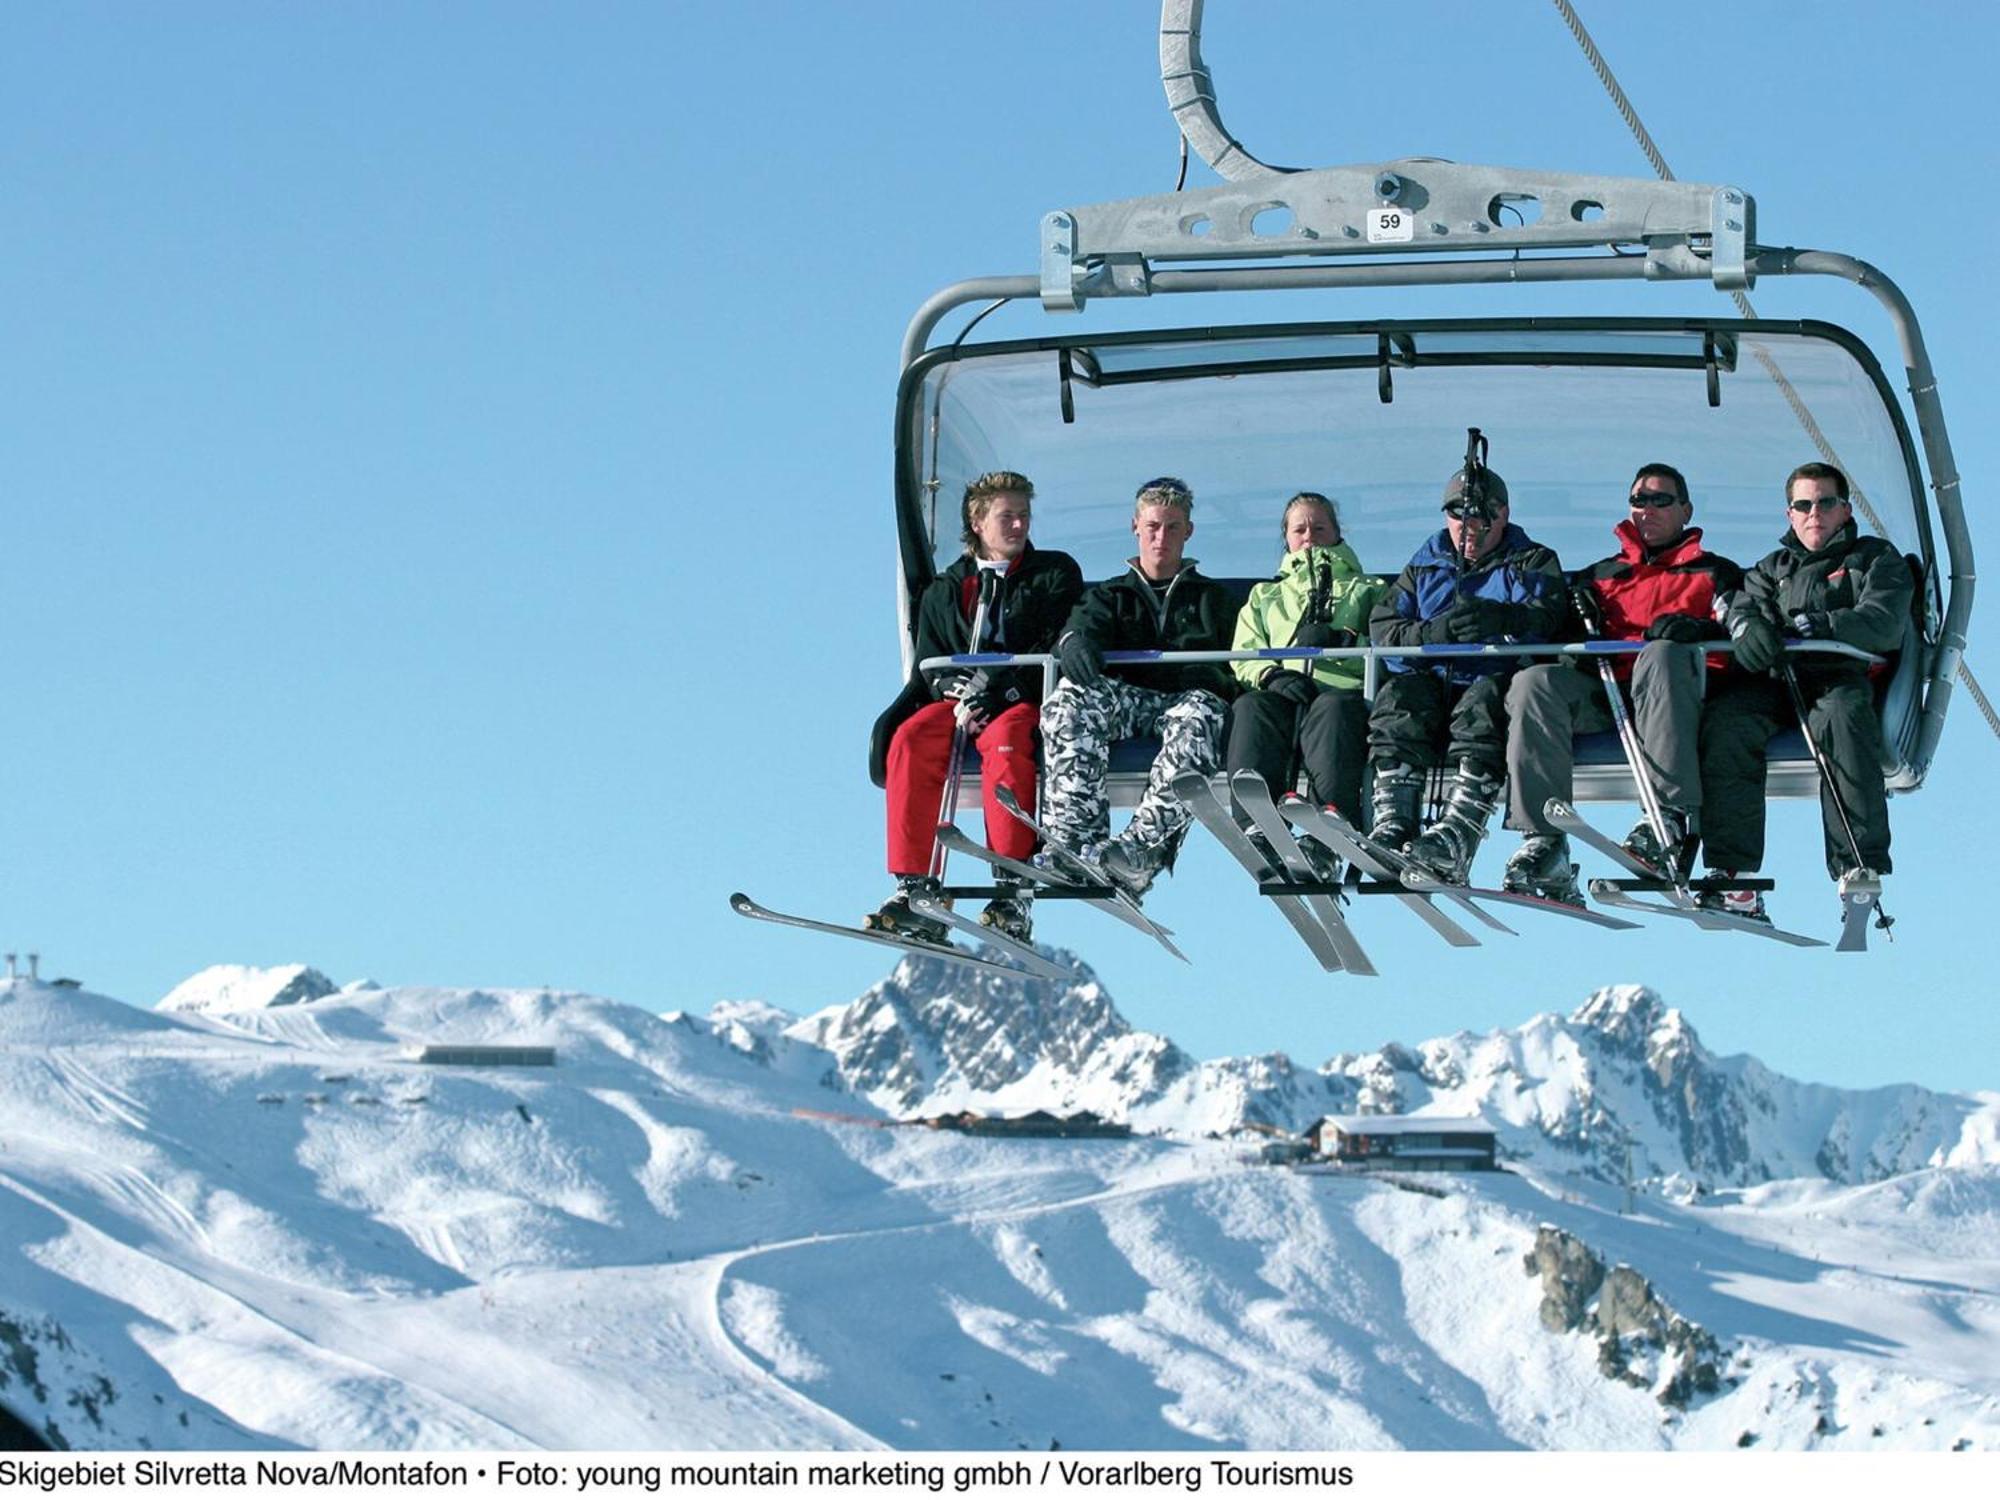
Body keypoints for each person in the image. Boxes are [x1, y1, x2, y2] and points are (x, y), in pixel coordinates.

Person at [1500, 463, 1744, 902]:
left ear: (1685, 509)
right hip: (1610, 692)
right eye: (1639, 501)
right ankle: (1542, 839)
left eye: (1660, 500)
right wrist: (1575, 621)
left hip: (1676, 693)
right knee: (1534, 683)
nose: (1647, 509)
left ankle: (1665, 814)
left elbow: (1739, 628)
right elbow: (1556, 637)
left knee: (1662, 652)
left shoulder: (1714, 573)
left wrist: (1697, 631)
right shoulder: (1603, 575)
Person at [867, 470, 1084, 944]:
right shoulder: (947, 589)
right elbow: (930, 658)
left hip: (1019, 698)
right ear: (978, 521)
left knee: (1007, 743)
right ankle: (914, 883)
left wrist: (999, 690)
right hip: (959, 703)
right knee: (910, 739)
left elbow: (1054, 642)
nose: (1018, 526)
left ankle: (1011, 885)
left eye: (1024, 516)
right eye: (1007, 517)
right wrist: (955, 689)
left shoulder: (1053, 574)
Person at [1698, 461, 1912, 919]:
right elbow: (1744, 604)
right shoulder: (1772, 568)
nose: (1815, 513)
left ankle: (1857, 861)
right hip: (1778, 677)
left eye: (1825, 502)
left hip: (1838, 674)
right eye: (1803, 504)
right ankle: (1734, 875)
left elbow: (1885, 620)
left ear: (1845, 509)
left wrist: (1829, 624)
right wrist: (1750, 630)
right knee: (1729, 720)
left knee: (1843, 717)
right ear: (1790, 514)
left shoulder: (1874, 559)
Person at [1366, 435, 1568, 885]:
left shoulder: (1530, 561)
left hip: (1491, 681)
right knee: (1399, 698)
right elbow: (1383, 629)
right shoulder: (1425, 565)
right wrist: (1430, 635)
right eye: (1458, 514)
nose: (1467, 526)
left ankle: (1459, 832)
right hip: (1432, 682)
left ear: (1502, 515)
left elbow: (1550, 619)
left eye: (1479, 515)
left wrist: (1504, 618)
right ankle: (1395, 821)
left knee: (1483, 703)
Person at [1038, 476, 1236, 899]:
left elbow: (1241, 652)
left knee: (1200, 716)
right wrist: (1075, 644)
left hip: (1189, 698)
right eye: (1152, 526)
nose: (1160, 536)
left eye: (1171, 527)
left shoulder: (1213, 599)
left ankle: (1139, 850)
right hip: (1129, 698)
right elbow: (1080, 627)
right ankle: (1074, 836)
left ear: (1188, 532)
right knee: (1069, 702)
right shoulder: (1114, 595)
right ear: (1136, 528)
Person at [1224, 491, 1383, 872]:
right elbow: (1243, 651)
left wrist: (1346, 642)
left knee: (1335, 710)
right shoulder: (1266, 595)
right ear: (1288, 538)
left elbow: (1387, 642)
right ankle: (1258, 823)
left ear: (1337, 533)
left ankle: (1330, 826)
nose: (1309, 535)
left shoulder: (1369, 588)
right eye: (1300, 529)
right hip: (1282, 689)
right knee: (1251, 707)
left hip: (1340, 689)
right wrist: (1271, 674)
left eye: (1319, 526)